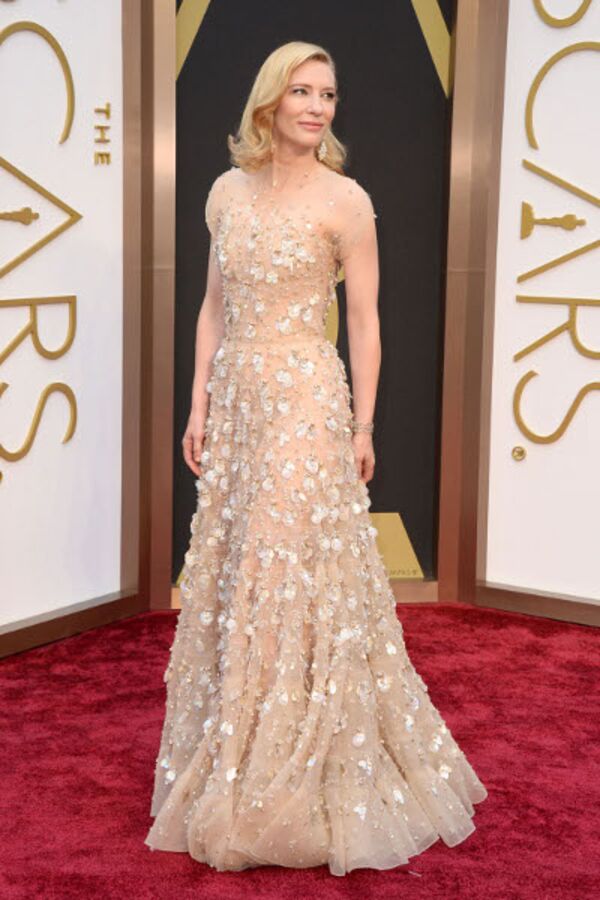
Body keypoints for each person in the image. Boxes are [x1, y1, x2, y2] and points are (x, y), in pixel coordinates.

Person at [145, 40, 487, 876]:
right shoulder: (226, 192)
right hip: (241, 399)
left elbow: (365, 321)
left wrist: (362, 426)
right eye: (302, 91)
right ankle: (243, 754)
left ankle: (294, 766)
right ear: (270, 100)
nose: (317, 107)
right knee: (241, 569)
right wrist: (198, 403)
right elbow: (214, 307)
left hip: (305, 396)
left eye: (327, 94)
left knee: (284, 562)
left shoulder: (347, 200)